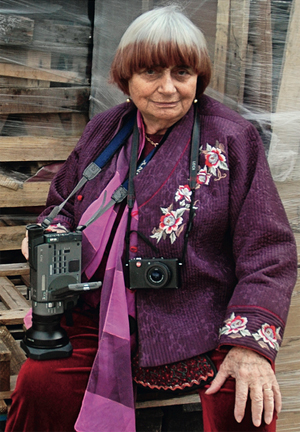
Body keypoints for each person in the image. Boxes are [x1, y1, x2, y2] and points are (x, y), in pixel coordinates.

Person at [6, 5, 297, 432]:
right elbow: (62, 208)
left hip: (202, 320)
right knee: (41, 383)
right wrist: (45, 237)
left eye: (182, 72)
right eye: (151, 72)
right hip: (102, 311)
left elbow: (269, 252)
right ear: (126, 79)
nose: (167, 88)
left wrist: (249, 345)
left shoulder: (233, 138)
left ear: (199, 79)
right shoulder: (106, 130)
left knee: (246, 401)